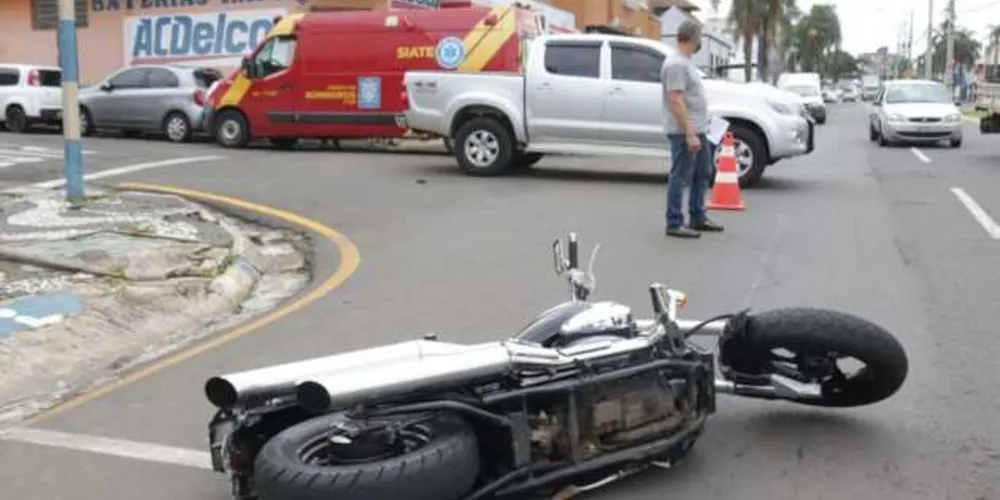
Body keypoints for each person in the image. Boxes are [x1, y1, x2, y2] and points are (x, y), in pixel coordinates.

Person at [661, 19, 723, 238]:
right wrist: (689, 133)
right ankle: (674, 222)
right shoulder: (676, 64)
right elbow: (675, 100)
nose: (700, 44)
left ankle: (698, 216)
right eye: (700, 39)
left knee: (702, 172)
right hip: (684, 132)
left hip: (698, 129)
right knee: (681, 175)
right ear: (693, 38)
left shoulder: (686, 62)